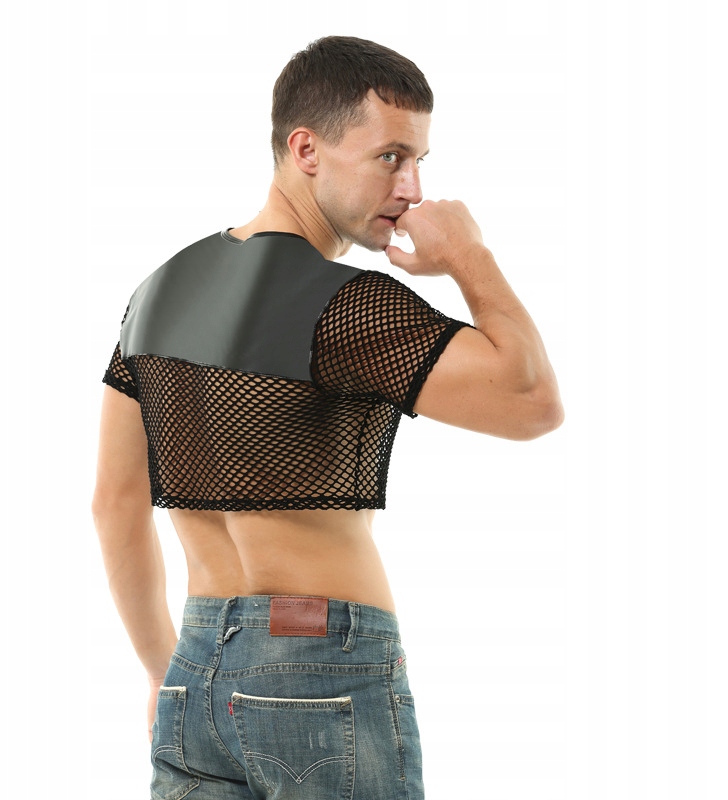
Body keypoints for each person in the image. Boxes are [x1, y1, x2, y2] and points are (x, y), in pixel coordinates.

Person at [92, 35, 563, 799]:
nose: (412, 188)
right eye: (391, 157)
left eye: (420, 161)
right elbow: (532, 401)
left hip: (194, 669)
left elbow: (114, 503)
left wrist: (160, 670)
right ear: (306, 149)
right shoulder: (346, 306)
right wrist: (468, 255)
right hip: (319, 664)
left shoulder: (158, 293)